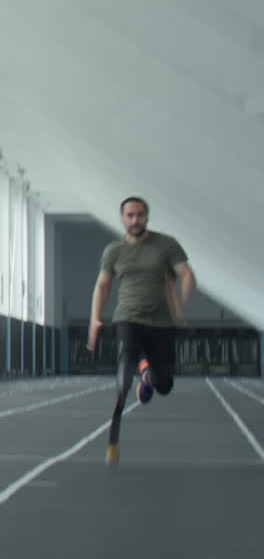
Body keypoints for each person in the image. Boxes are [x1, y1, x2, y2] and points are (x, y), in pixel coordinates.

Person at [86, 196, 196, 465]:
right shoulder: (113, 251)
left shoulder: (166, 245)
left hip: (161, 323)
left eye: (140, 215)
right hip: (128, 318)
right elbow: (102, 285)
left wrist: (179, 306)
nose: (135, 220)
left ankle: (147, 377)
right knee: (125, 365)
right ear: (122, 218)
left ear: (147, 217)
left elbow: (187, 275)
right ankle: (115, 434)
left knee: (165, 384)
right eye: (130, 215)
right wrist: (94, 320)